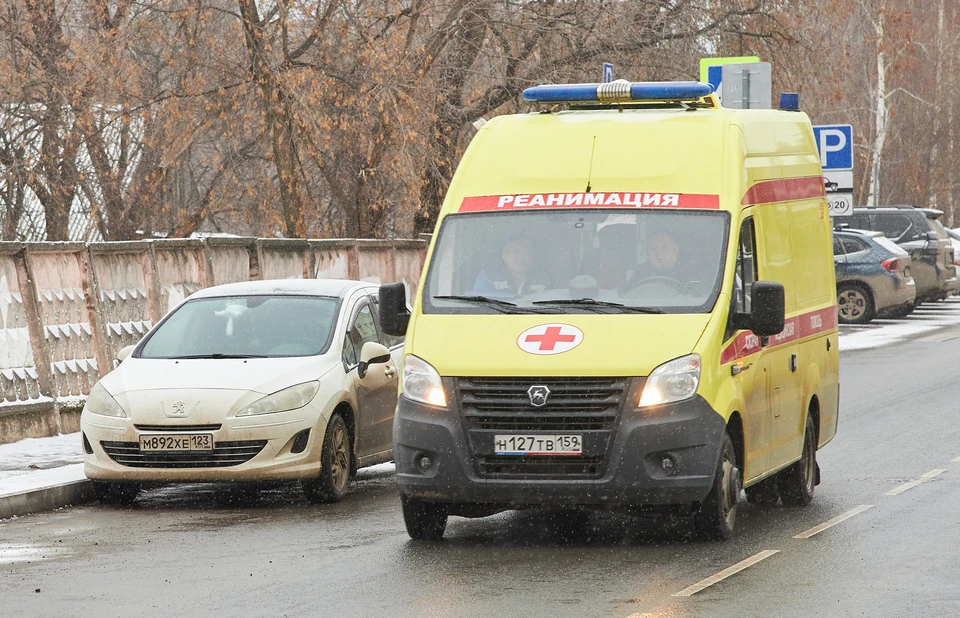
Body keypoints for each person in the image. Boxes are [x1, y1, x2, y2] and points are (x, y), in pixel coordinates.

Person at [471, 237, 546, 297]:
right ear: (504, 256)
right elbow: (482, 305)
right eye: (516, 251)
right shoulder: (489, 276)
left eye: (527, 252)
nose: (522, 256)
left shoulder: (543, 279)